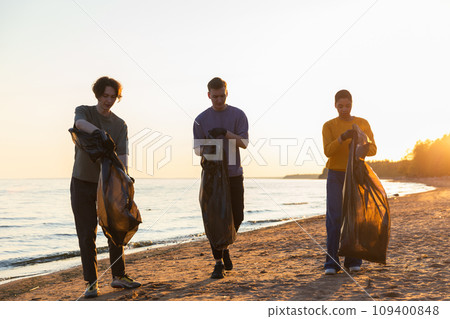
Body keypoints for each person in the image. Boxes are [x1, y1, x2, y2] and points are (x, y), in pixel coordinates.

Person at [70, 76, 141, 298]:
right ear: (98, 95)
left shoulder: (120, 125)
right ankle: (91, 283)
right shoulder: (84, 111)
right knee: (86, 233)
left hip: (108, 184)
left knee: (115, 229)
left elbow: (122, 156)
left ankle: (118, 276)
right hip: (81, 182)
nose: (108, 100)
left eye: (113, 97)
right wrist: (99, 133)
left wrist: (126, 178)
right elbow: (79, 125)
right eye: (105, 96)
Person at [193, 77, 249, 279]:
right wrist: (210, 142)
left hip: (234, 173)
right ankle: (218, 263)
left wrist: (225, 133)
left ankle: (224, 248)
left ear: (227, 93)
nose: (218, 100)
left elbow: (244, 143)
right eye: (215, 96)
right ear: (209, 95)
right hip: (212, 176)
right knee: (214, 220)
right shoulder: (200, 119)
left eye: (222, 96)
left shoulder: (238, 115)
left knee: (238, 216)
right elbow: (198, 150)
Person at [322, 89, 377, 275]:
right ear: (335, 105)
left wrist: (362, 139)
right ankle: (331, 263)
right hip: (335, 175)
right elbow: (328, 151)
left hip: (355, 174)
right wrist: (342, 137)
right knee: (334, 218)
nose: (344, 109)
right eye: (340, 106)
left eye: (347, 106)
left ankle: (353, 260)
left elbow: (373, 150)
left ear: (352, 104)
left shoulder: (362, 123)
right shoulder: (328, 125)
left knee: (354, 217)